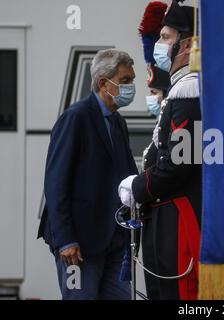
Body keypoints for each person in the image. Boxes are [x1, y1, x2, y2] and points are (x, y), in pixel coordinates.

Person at [38, 49, 138, 299]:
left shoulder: (117, 121)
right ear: (104, 83)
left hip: (115, 240)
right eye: (125, 80)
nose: (132, 87)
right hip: (79, 243)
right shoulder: (76, 117)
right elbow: (55, 182)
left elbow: (126, 176)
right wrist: (66, 240)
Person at [119, 0, 201, 300]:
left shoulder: (189, 91)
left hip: (180, 221)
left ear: (188, 42)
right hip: (167, 219)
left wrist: (138, 186)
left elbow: (181, 164)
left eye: (165, 37)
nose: (159, 43)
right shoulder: (181, 90)